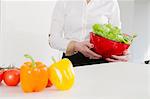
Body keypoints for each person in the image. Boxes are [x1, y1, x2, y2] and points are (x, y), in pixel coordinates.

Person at [49, 0, 129, 66]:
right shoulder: (64, 2)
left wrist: (122, 52)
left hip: (101, 62)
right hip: (72, 61)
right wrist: (76, 45)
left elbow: (117, 37)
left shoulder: (110, 2)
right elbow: (53, 40)